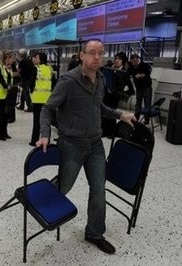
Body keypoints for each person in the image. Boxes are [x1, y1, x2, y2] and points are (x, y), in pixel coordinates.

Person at [36, 39, 136, 254]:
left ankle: (94, 233)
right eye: (92, 53)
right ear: (82, 55)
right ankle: (39, 200)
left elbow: (98, 107)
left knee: (99, 191)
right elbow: (47, 109)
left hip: (95, 144)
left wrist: (120, 115)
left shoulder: (100, 79)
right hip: (71, 144)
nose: (97, 57)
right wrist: (44, 134)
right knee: (63, 187)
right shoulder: (68, 81)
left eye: (101, 52)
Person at [101, 51, 134, 137]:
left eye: (119, 59)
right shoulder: (109, 69)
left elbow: (131, 89)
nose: (116, 60)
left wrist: (121, 93)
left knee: (111, 114)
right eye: (116, 58)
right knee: (103, 113)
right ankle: (104, 131)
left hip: (114, 97)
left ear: (123, 61)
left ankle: (111, 132)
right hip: (106, 95)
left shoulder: (124, 72)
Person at [29, 52, 53, 146]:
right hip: (48, 99)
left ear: (40, 59)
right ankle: (47, 140)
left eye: (35, 57)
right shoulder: (50, 69)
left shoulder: (36, 68)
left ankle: (34, 140)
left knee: (37, 121)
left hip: (38, 98)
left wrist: (32, 92)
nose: (34, 59)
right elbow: (53, 83)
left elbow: (31, 83)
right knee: (47, 121)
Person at [0, 50, 14, 141]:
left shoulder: (9, 67)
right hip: (0, 94)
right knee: (0, 115)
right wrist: (6, 86)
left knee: (6, 115)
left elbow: (10, 78)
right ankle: (0, 134)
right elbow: (0, 77)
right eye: (10, 58)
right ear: (5, 59)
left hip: (8, 94)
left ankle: (5, 132)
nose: (12, 60)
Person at [129, 54, 153, 124]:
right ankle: (136, 119)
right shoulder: (132, 67)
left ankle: (146, 120)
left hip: (146, 88)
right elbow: (129, 72)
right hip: (138, 88)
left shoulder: (144, 65)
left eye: (134, 61)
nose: (133, 63)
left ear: (137, 59)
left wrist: (141, 75)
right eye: (132, 62)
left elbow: (148, 73)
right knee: (138, 104)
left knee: (147, 104)